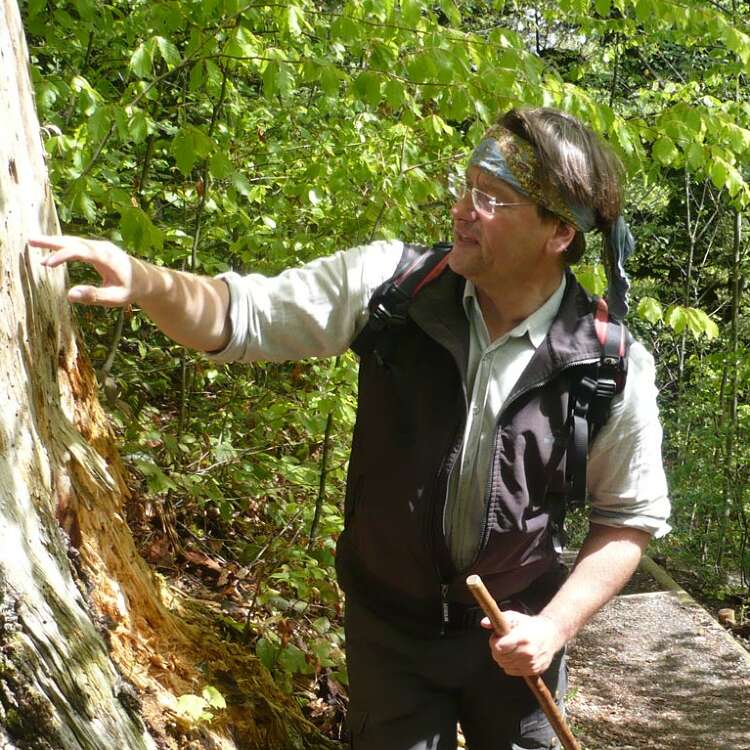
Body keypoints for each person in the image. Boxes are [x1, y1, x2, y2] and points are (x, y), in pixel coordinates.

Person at [32, 106, 670, 750]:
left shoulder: (607, 365)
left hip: (516, 637)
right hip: (389, 633)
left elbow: (629, 521)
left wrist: (555, 627)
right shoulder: (393, 289)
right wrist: (145, 280)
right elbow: (239, 315)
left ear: (559, 232)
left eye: (492, 198)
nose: (462, 209)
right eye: (466, 187)